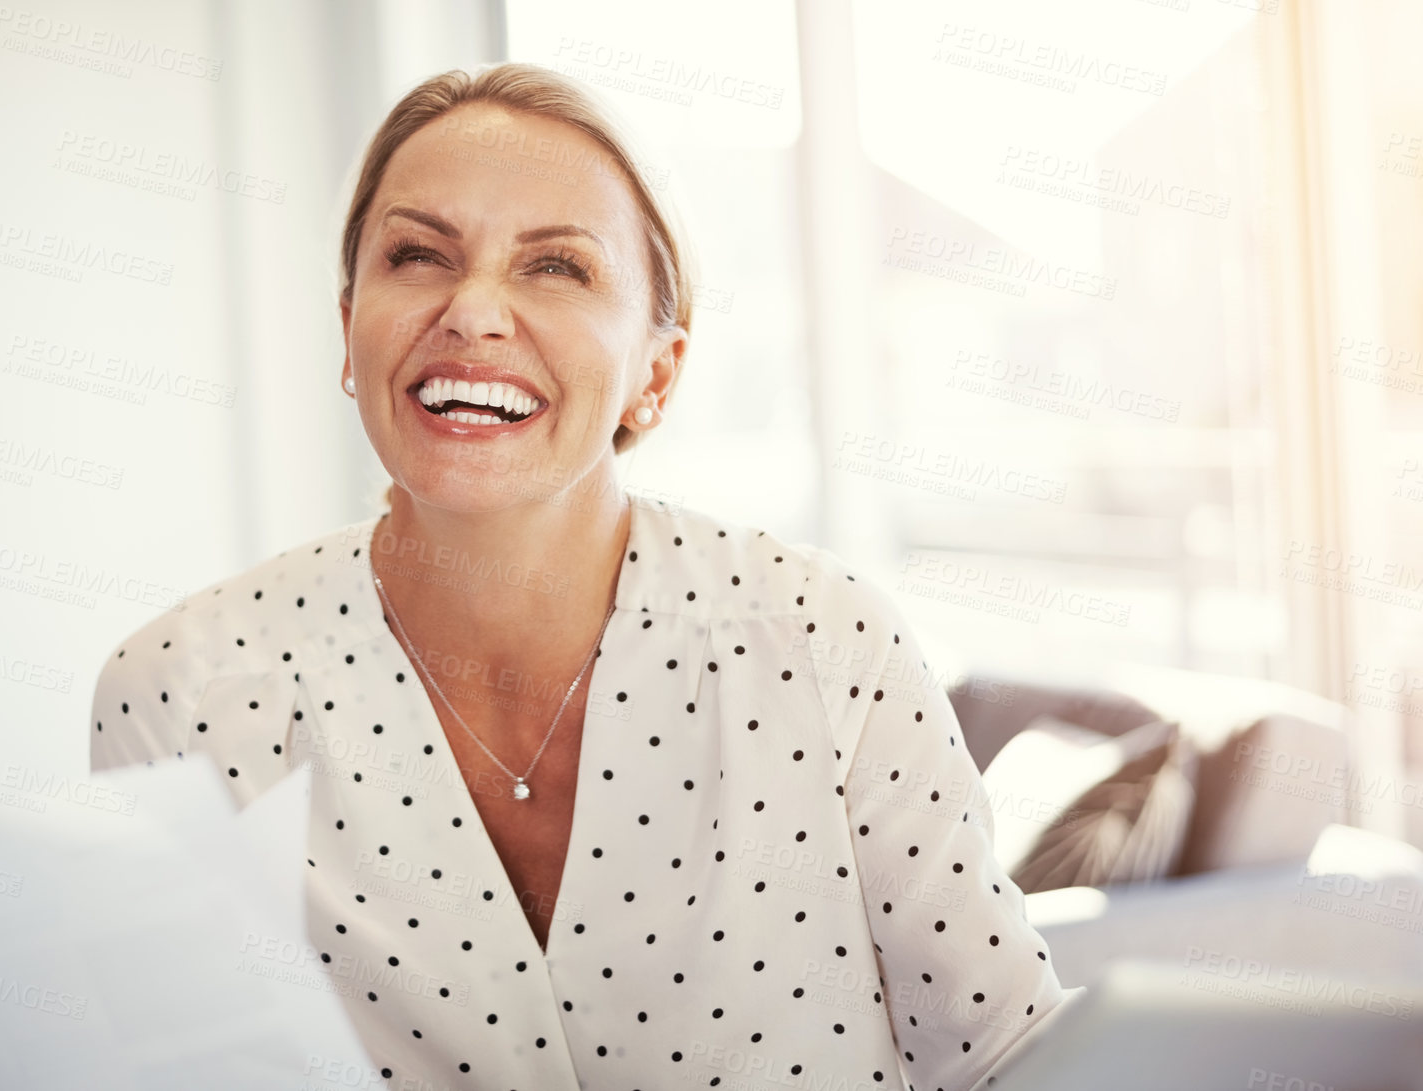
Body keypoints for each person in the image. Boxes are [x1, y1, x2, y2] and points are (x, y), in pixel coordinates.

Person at [90, 61, 1067, 1091]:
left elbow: (1008, 1057)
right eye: (417, 254)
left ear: (656, 373)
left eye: (555, 267)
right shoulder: (178, 696)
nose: (471, 311)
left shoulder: (824, 642)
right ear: (348, 330)